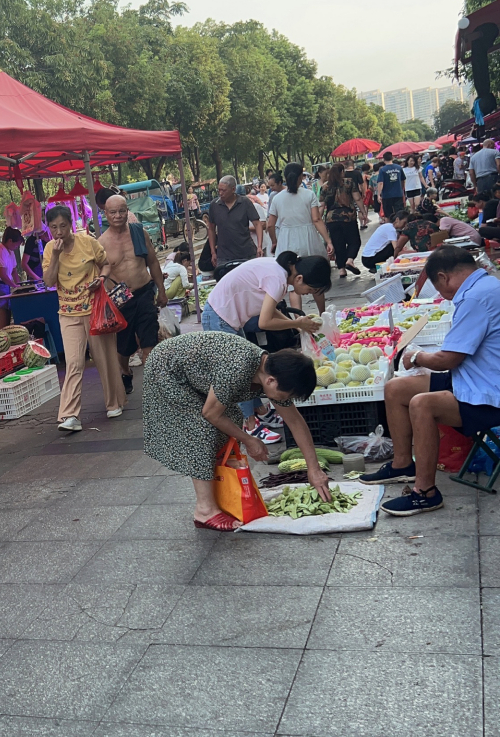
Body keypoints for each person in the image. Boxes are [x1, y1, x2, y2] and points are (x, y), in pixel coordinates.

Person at [142, 333, 330, 530]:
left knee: (231, 418)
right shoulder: (238, 368)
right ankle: (205, 510)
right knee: (201, 429)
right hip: (166, 368)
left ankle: (222, 492)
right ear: (271, 381)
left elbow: (295, 422)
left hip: (193, 372)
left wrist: (314, 469)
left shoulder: (272, 372)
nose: (285, 400)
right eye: (286, 396)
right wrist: (249, 440)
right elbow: (210, 414)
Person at [363, 247, 500, 514]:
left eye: (439, 289)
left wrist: (416, 357)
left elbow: (448, 359)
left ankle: (425, 492)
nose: (443, 295)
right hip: (474, 377)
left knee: (421, 404)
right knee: (395, 388)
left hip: (487, 393)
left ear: (443, 277)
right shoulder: (486, 285)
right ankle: (403, 464)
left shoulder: (475, 298)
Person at [202, 251, 331, 443]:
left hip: (228, 317)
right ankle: (250, 425)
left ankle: (261, 411)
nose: (307, 294)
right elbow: (265, 322)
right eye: (310, 290)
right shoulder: (278, 279)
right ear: (299, 278)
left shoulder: (279, 273)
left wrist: (297, 325)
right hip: (220, 317)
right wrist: (297, 323)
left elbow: (270, 311)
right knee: (240, 372)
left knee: (250, 368)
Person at [42, 204, 125, 430]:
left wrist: (102, 279)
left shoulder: (87, 242)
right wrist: (56, 255)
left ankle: (113, 403)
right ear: (49, 228)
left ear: (71, 224)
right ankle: (69, 415)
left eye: (63, 226)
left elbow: (105, 265)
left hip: (94, 309)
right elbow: (49, 281)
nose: (59, 232)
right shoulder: (50, 249)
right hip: (68, 314)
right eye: (53, 227)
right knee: (74, 363)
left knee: (103, 358)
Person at [99, 194, 168, 394]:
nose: (118, 216)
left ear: (127, 211)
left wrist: (161, 291)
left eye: (122, 211)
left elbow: (153, 262)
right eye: (113, 212)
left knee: (149, 341)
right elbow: (99, 274)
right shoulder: (101, 243)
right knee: (124, 348)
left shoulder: (139, 232)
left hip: (144, 293)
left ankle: (154, 390)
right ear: (106, 214)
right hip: (121, 301)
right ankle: (126, 371)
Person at [266, 163, 333, 311]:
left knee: (292, 283)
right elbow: (316, 219)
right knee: (314, 277)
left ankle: (298, 318)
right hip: (308, 238)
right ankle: (322, 314)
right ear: (301, 177)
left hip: (287, 240)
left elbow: (270, 225)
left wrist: (274, 241)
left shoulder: (277, 198)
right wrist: (328, 241)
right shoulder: (309, 194)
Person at [206, 176, 265, 269]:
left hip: (246, 253)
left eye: (224, 190)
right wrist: (213, 252)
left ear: (233, 189)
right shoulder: (215, 205)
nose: (220, 193)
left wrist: (259, 246)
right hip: (224, 256)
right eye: (219, 190)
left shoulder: (245, 202)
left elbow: (257, 224)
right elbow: (211, 229)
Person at [321, 164, 364, 278]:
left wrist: (319, 220)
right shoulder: (348, 182)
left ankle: (341, 269)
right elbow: (357, 198)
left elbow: (321, 205)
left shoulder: (325, 186)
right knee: (354, 241)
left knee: (338, 243)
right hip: (347, 217)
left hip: (331, 219)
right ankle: (350, 260)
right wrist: (363, 212)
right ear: (341, 172)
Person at [0, 226, 24, 328]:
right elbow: (3, 275)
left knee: (8, 320)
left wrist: (19, 285)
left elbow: (14, 271)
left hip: (6, 286)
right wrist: (14, 286)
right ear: (10, 241)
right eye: (16, 244)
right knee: (3, 323)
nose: (16, 247)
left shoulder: (11, 252)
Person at [376, 152, 406, 218]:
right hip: (398, 194)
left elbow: (380, 183)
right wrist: (402, 189)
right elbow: (403, 180)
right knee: (400, 213)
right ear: (392, 158)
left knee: (388, 214)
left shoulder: (382, 170)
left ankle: (390, 224)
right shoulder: (399, 168)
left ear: (383, 159)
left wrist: (379, 194)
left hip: (387, 195)